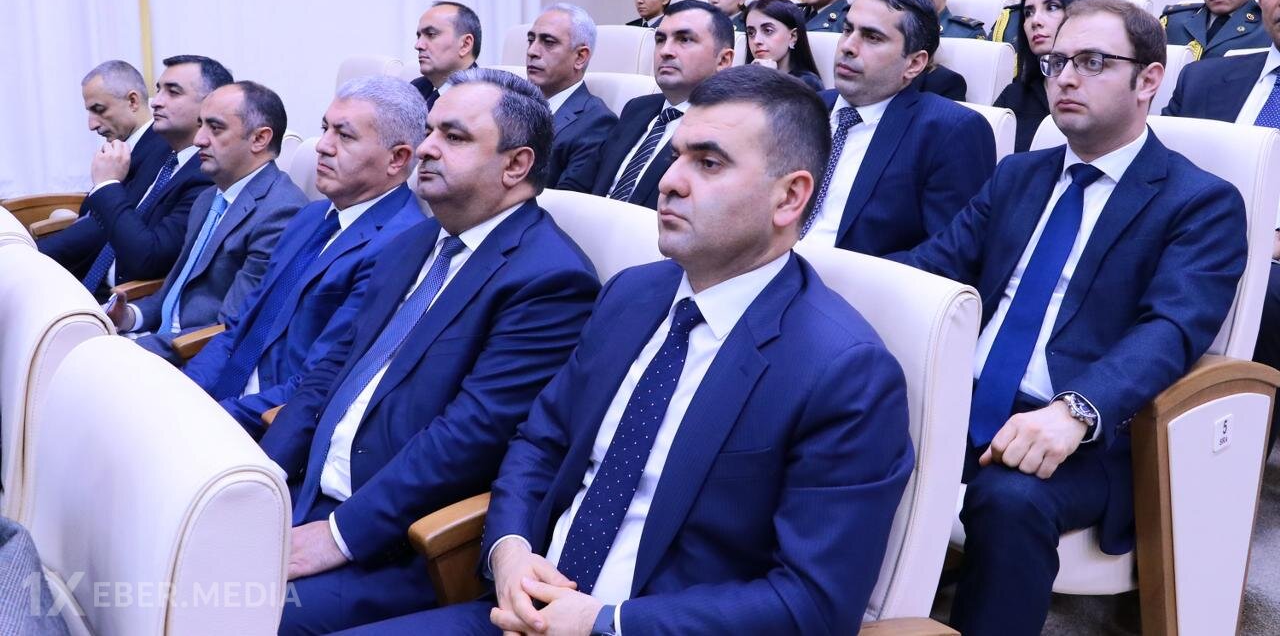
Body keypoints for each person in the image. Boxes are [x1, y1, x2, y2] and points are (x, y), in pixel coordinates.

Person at [342, 66, 914, 636]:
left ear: (789, 197)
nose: (669, 181)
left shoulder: (843, 372)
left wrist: (605, 621)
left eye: (708, 163)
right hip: (526, 611)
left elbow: (811, 604)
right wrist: (510, 550)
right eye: (677, 155)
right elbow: (542, 441)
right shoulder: (632, 295)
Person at [894, 0, 1247, 635]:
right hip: (961, 396)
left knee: (1011, 496)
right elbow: (930, 268)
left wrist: (1076, 410)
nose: (1065, 78)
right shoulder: (1019, 175)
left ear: (1148, 79)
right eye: (1056, 62)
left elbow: (1170, 330)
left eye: (1092, 62)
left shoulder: (1201, 202)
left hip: (1089, 429)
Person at [259, 69, 601, 634]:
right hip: (306, 490)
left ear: (516, 165)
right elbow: (329, 372)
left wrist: (339, 535)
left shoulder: (550, 279)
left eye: (454, 136)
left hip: (399, 541)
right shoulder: (413, 242)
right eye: (430, 130)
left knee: (227, 611)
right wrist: (263, 481)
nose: (426, 148)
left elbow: (468, 437)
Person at [182, 76, 429, 436]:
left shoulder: (401, 243)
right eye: (325, 129)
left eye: (344, 136)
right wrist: (185, 392)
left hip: (268, 424)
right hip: (222, 402)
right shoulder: (311, 216)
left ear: (398, 158)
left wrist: (209, 419)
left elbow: (319, 382)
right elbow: (241, 326)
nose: (323, 146)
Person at [1163, 0, 1280, 443]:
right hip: (1195, 240)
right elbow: (1156, 171)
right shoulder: (1204, 79)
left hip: (1268, 264)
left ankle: (1236, 457)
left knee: (1266, 293)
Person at [106, 81, 306, 357]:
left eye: (216, 128)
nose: (199, 139)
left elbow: (230, 328)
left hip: (195, 358)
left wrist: (130, 349)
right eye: (200, 125)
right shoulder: (207, 198)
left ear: (259, 139)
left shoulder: (280, 212)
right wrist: (128, 317)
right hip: (161, 339)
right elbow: (175, 291)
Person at [804, 0, 994, 257]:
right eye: (847, 30)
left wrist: (846, 275)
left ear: (914, 64)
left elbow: (950, 254)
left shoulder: (949, 131)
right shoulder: (807, 108)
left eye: (872, 37)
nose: (848, 46)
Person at [39, 55, 232, 295]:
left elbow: (149, 258)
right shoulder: (164, 157)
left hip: (127, 299)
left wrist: (107, 185)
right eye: (158, 90)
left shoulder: (208, 175)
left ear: (210, 106)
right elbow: (106, 225)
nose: (156, 102)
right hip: (88, 284)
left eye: (173, 92)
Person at [591, 0, 734, 209]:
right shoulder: (637, 108)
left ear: (723, 60)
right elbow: (587, 183)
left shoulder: (726, 130)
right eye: (660, 40)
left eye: (684, 39)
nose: (665, 51)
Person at [994, 0, 1094, 152]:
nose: (1035, 21)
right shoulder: (1014, 96)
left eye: (1052, 7)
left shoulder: (1104, 90)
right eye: (1028, 13)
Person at [525, 3, 618, 192]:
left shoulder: (596, 122)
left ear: (580, 57)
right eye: (531, 40)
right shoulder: (512, 102)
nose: (532, 51)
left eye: (548, 42)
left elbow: (567, 201)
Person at [76, 59, 170, 210]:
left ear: (133, 101)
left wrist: (107, 183)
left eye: (99, 110)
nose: (92, 125)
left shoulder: (164, 151)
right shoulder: (130, 148)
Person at [743, 0, 824, 91]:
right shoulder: (744, 79)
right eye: (751, 33)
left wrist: (770, 79)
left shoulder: (807, 83)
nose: (756, 41)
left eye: (768, 31)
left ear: (793, 36)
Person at [411, 1, 481, 109]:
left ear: (465, 45)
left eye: (431, 34)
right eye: (419, 36)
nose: (418, 45)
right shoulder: (415, 89)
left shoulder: (484, 100)